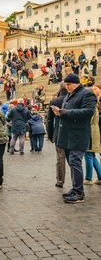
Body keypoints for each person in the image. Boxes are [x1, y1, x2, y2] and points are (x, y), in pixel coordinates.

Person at [53, 74, 97, 203]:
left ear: (76, 83)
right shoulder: (69, 94)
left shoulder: (86, 94)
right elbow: (66, 112)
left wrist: (65, 112)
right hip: (68, 135)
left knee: (75, 162)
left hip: (79, 135)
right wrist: (59, 113)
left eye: (69, 84)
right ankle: (76, 188)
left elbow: (89, 112)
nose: (66, 87)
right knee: (72, 163)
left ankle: (79, 193)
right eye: (65, 85)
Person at [83, 85, 101, 185]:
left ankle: (88, 178)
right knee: (91, 155)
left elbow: (88, 121)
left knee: (88, 154)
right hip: (94, 131)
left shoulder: (91, 105)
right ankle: (100, 176)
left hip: (91, 132)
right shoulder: (94, 103)